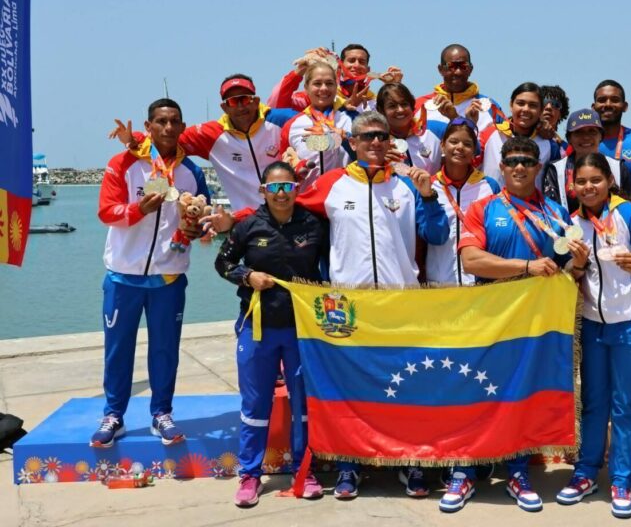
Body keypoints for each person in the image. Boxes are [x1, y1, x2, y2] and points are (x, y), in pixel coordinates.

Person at [294, 111, 450, 498]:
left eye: (382, 136)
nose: (376, 142)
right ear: (352, 143)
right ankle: (350, 466)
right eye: (367, 137)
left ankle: (411, 463)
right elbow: (286, 212)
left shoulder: (407, 184)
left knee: (407, 387)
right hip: (350, 306)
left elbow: (437, 234)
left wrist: (429, 196)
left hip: (401, 303)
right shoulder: (331, 184)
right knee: (351, 390)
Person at [454, 136, 586, 513]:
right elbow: (471, 260)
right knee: (476, 394)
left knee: (521, 398)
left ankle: (517, 472)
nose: (519, 167)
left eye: (527, 161)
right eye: (512, 160)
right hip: (489, 318)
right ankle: (465, 472)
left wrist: (578, 263)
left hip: (534, 323)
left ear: (538, 167)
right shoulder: (483, 207)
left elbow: (568, 269)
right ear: (501, 166)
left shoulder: (557, 213)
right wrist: (526, 267)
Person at [92, 98, 210, 448]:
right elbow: (106, 212)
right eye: (161, 121)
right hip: (123, 277)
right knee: (118, 350)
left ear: (182, 126)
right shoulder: (123, 164)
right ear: (149, 126)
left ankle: (161, 413)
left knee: (165, 350)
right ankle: (114, 416)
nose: (168, 127)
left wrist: (199, 229)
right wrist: (138, 209)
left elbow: (202, 215)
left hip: (168, 277)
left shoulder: (191, 171)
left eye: (175, 121)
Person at [215, 162, 329, 507]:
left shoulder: (314, 225)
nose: (281, 194)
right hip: (258, 327)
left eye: (288, 187)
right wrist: (247, 276)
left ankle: (303, 470)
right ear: (263, 191)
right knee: (255, 403)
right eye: (274, 188)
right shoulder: (248, 226)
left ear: (297, 189)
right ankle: (250, 474)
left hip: (302, 330)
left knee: (302, 404)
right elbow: (223, 263)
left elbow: (332, 267)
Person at [555, 153, 631, 519]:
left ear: (610, 181)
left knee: (626, 405)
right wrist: (578, 265)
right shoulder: (571, 225)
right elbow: (568, 278)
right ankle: (585, 472)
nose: (589, 187)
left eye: (595, 180)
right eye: (581, 182)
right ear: (573, 186)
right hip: (592, 322)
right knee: (592, 401)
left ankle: (622, 480)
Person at [110, 74, 297, 212]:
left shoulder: (281, 120)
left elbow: (312, 120)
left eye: (245, 99)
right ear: (224, 107)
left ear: (256, 101)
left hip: (292, 214)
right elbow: (166, 137)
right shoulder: (210, 135)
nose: (241, 106)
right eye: (233, 102)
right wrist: (134, 139)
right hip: (249, 222)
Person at [427, 117, 500, 285]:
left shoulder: (489, 186)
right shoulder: (429, 186)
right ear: (442, 145)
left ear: (474, 150)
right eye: (453, 142)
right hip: (440, 284)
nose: (460, 147)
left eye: (467, 144)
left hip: (479, 283)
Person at [541, 108, 631, 212]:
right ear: (569, 138)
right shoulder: (556, 170)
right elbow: (552, 212)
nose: (586, 137)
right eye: (578, 132)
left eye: (592, 131)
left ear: (601, 136)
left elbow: (628, 209)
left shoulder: (618, 168)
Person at [282, 62, 356, 187]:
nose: (324, 88)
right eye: (317, 83)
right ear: (306, 87)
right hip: (306, 196)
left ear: (336, 86)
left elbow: (367, 157)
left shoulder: (352, 118)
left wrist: (345, 137)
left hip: (344, 195)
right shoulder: (292, 125)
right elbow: (282, 168)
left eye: (329, 83)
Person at [268, 44, 402, 113]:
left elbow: (402, 121)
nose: (356, 65)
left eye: (362, 62)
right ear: (340, 66)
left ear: (368, 69)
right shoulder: (320, 96)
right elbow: (277, 104)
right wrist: (301, 69)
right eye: (351, 60)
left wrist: (395, 89)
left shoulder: (377, 102)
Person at [480, 83, 564, 186]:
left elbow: (553, 186)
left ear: (541, 110)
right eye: (520, 103)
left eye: (533, 105)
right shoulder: (489, 134)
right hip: (490, 197)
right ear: (511, 105)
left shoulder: (551, 146)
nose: (526, 109)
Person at [417, 43, 505, 135]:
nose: (458, 72)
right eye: (452, 66)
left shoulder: (490, 107)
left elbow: (507, 142)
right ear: (441, 69)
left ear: (470, 69)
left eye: (463, 66)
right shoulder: (420, 106)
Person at [593, 80, 631, 202]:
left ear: (625, 106)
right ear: (593, 107)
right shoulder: (584, 142)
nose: (608, 104)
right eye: (602, 100)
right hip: (596, 213)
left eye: (614, 100)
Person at [376, 83, 441, 175]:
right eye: (392, 106)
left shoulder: (434, 128)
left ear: (412, 106)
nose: (400, 110)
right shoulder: (375, 142)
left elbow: (461, 134)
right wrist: (379, 164)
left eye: (404, 104)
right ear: (381, 110)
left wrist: (454, 116)